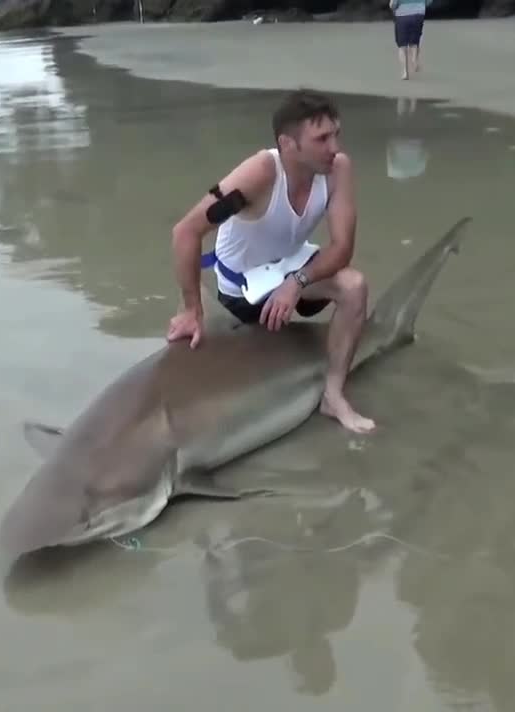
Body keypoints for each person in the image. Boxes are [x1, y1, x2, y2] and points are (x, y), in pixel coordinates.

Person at [164, 89, 375, 434]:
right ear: (288, 144)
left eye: (336, 134)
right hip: (242, 288)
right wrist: (191, 310)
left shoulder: (337, 169)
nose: (334, 147)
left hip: (291, 270)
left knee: (354, 286)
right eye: (321, 138)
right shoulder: (259, 174)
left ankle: (332, 395)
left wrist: (296, 283)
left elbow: (342, 248)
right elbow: (186, 232)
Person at [390, 0, 429, 80]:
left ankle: (405, 71)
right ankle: (414, 59)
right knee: (414, 43)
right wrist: (421, 5)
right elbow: (429, 1)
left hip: (402, 16)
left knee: (402, 46)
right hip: (418, 14)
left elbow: (393, 4)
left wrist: (393, 7)